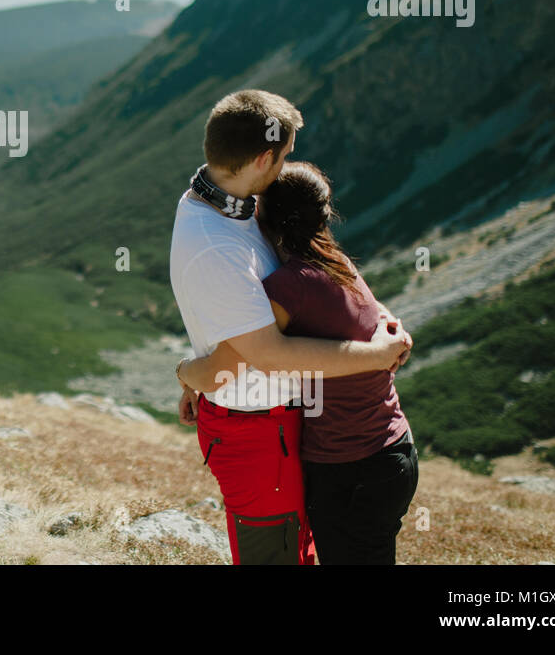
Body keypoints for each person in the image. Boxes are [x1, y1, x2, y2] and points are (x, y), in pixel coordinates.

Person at [169, 90, 410, 565]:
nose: (286, 168)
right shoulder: (219, 244)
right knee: (273, 556)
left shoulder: (230, 205)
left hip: (280, 426)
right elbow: (266, 353)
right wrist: (186, 371)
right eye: (285, 157)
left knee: (298, 551)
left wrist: (381, 317)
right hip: (255, 433)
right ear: (263, 158)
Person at [255, 160, 417, 564]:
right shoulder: (337, 262)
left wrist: (190, 375)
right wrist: (391, 334)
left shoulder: (288, 286)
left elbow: (253, 351)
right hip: (394, 451)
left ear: (268, 215)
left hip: (349, 469)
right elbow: (377, 317)